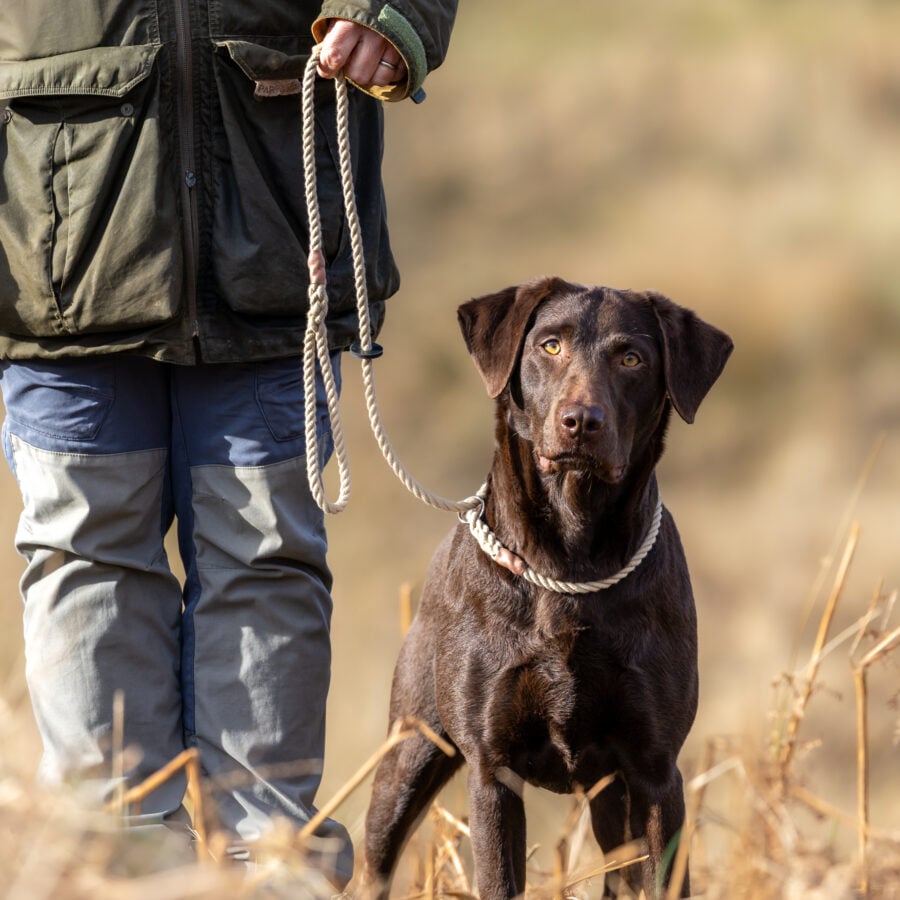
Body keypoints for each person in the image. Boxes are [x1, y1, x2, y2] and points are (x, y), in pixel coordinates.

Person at [0, 0, 457, 888]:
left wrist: (385, 13)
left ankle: (270, 871)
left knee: (263, 554)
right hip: (50, 238)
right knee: (82, 554)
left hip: (279, 229)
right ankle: (115, 866)